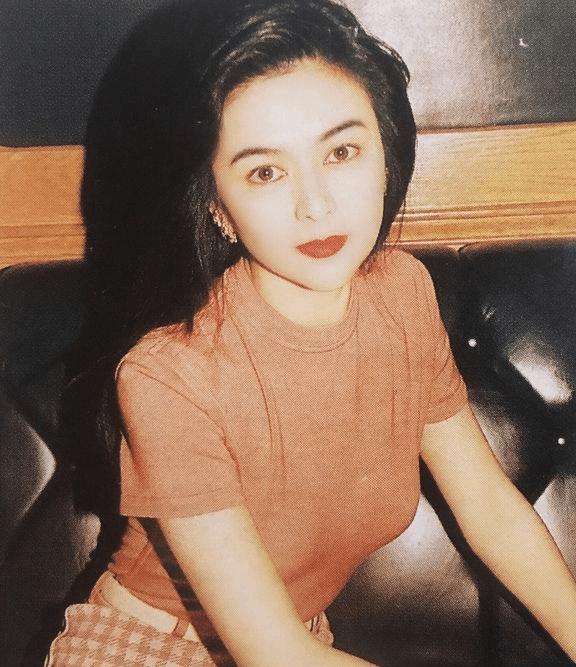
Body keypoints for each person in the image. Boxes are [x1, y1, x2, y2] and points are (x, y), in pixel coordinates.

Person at [45, 0, 576, 665]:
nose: (315, 205)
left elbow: (491, 511)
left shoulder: (403, 297)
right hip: (148, 649)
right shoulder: (167, 373)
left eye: (342, 151)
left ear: (387, 154)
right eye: (265, 172)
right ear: (218, 208)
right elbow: (273, 652)